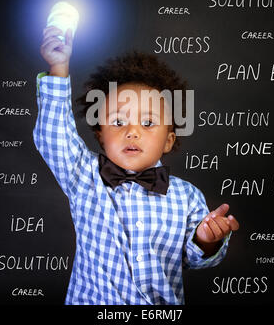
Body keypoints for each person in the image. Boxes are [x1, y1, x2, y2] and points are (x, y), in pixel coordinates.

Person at [33, 25, 239, 305]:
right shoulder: (83, 176)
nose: (132, 132)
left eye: (148, 122)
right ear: (100, 135)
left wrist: (206, 240)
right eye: (118, 122)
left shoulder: (187, 197)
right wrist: (58, 67)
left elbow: (196, 261)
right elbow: (53, 136)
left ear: (168, 140)